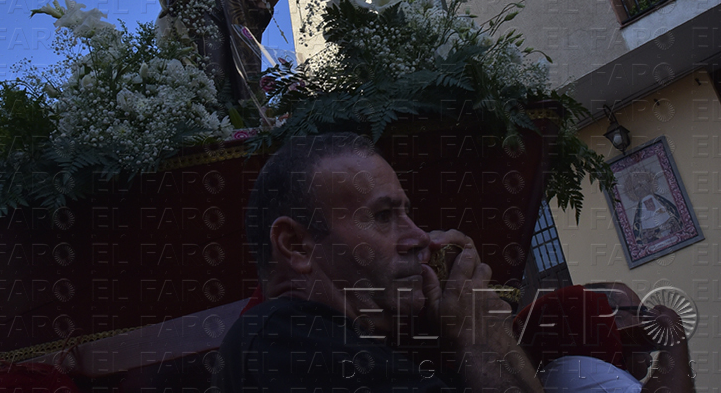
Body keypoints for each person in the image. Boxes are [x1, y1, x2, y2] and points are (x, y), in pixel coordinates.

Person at [211, 132, 544, 392]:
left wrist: (489, 332)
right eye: (383, 215)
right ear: (296, 245)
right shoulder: (283, 341)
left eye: (407, 213)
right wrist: (476, 336)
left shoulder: (358, 341)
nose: (420, 237)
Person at [514, 284, 694, 393]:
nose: (647, 322)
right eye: (642, 313)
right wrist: (674, 340)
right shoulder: (579, 371)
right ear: (611, 318)